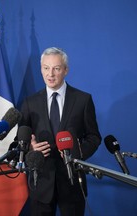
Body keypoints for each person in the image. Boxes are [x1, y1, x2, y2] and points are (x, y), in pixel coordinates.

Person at [20, 47, 102, 216]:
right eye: (46, 68)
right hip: (41, 182)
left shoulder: (83, 100)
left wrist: (75, 154)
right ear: (41, 69)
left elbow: (94, 137)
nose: (50, 74)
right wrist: (30, 148)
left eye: (56, 68)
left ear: (65, 70)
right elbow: (21, 138)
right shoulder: (30, 102)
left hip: (72, 183)